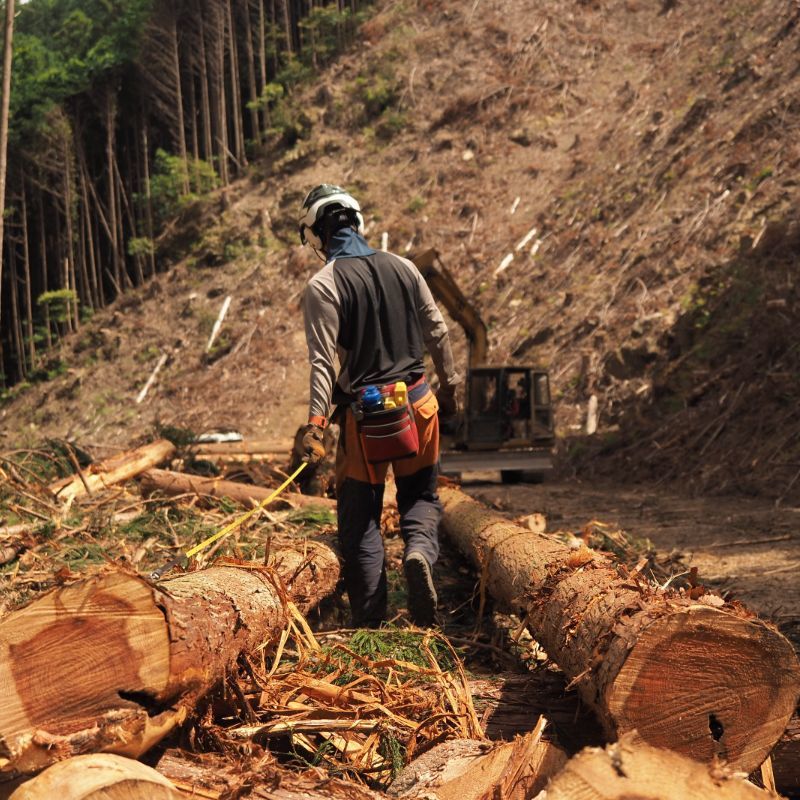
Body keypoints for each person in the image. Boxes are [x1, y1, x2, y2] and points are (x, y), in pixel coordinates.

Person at [297, 184, 460, 628]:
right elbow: (439, 332)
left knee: (361, 520)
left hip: (367, 419)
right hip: (419, 403)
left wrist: (315, 423)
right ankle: (419, 553)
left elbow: (322, 363)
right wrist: (450, 388)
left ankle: (371, 626)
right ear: (357, 221)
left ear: (316, 235)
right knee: (421, 498)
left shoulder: (323, 285)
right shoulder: (404, 267)